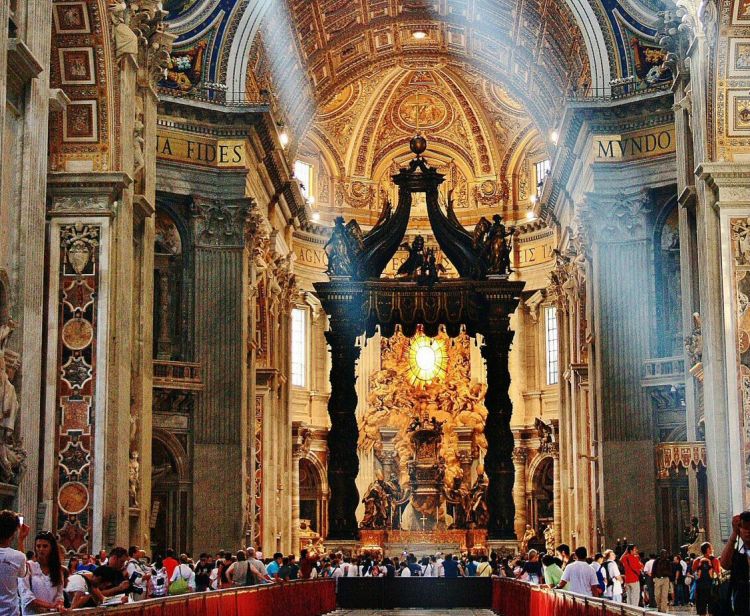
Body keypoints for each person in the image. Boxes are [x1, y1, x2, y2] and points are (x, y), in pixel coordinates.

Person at [18, 531, 65, 614]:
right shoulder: (29, 566)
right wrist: (50, 606)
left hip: (52, 613)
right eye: (38, 546)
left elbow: (59, 593)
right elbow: (26, 595)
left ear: (52, 548)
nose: (41, 549)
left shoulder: (57, 570)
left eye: (45, 546)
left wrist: (59, 604)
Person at [721, 511, 750, 615]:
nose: (747, 531)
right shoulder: (738, 553)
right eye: (744, 527)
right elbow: (724, 564)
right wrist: (734, 534)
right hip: (741, 606)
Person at [0, 510, 29, 616]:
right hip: (10, 612)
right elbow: (23, 574)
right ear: (13, 533)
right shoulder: (18, 557)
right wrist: (21, 540)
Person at [693, 541, 721, 616]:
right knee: (712, 610)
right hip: (712, 588)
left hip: (700, 588)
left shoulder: (696, 561)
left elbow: (694, 574)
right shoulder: (715, 560)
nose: (712, 549)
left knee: (702, 611)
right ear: (708, 549)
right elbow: (718, 574)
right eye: (711, 548)